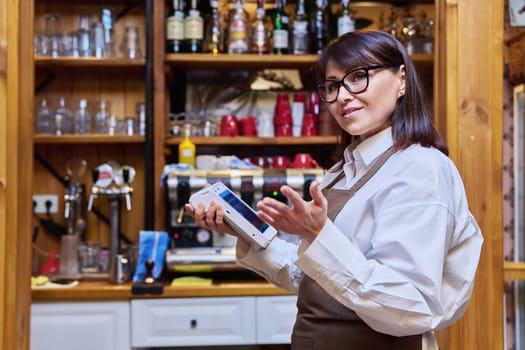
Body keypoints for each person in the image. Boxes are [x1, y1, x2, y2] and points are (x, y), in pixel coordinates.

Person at [185, 30, 483, 350]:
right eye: (332, 86)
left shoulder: (420, 169)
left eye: (358, 77)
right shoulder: (341, 172)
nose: (342, 96)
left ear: (402, 80)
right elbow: (315, 281)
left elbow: (408, 307)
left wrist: (319, 236)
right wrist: (246, 232)